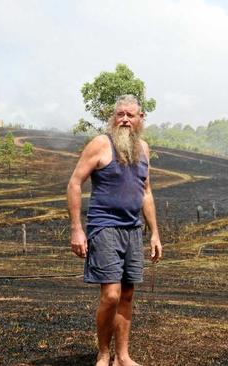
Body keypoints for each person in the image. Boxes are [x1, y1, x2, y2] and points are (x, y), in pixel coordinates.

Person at [67, 94, 162, 366]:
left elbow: (146, 191)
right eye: (119, 114)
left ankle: (122, 356)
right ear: (113, 116)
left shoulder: (143, 149)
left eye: (130, 115)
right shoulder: (100, 144)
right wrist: (77, 229)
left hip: (133, 229)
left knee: (128, 295)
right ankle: (104, 353)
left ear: (140, 118)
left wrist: (154, 233)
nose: (124, 120)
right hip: (104, 227)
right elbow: (75, 183)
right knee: (111, 295)